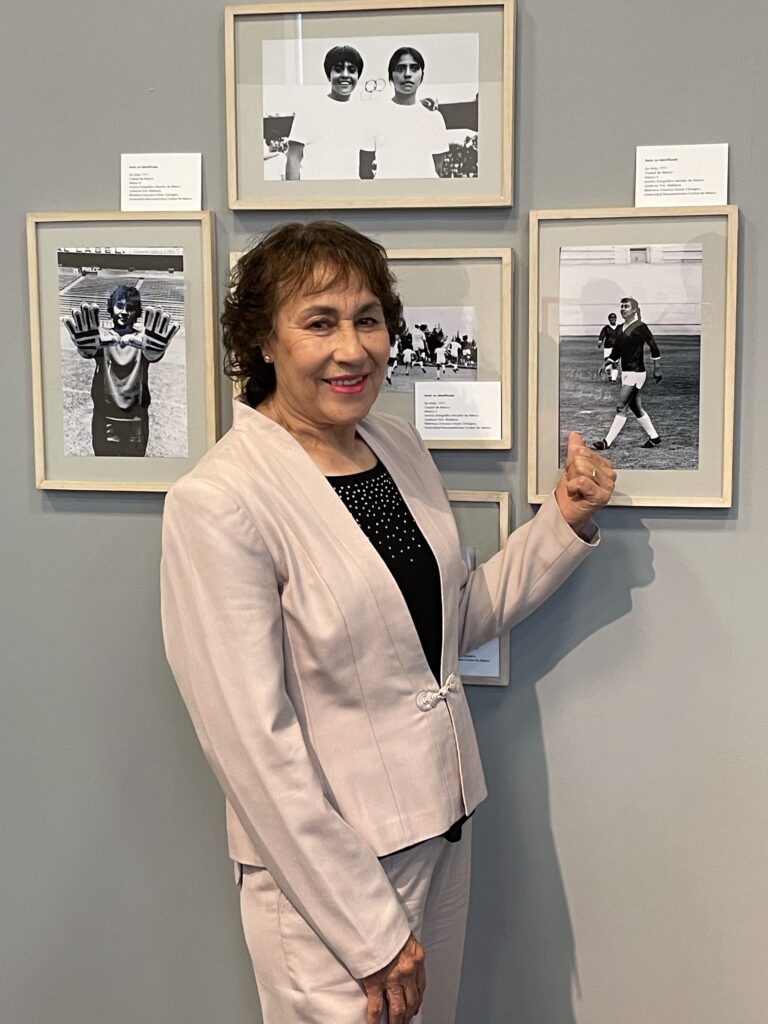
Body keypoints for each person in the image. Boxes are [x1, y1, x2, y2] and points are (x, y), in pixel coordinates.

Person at [160, 221, 615, 1024]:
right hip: (332, 885)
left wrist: (560, 524)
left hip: (442, 830)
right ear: (263, 340)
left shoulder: (396, 448)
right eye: (320, 321)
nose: (353, 348)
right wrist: (368, 930)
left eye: (368, 319)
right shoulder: (220, 501)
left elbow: (450, 619)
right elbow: (251, 747)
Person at [62, 286, 179, 457]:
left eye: (130, 308)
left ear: (137, 312)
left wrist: (156, 353)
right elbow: (89, 351)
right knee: (104, 472)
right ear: (111, 308)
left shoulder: (145, 341)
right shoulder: (101, 339)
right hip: (104, 419)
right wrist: (84, 349)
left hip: (136, 421)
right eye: (120, 305)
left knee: (134, 474)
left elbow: (152, 355)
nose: (124, 312)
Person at [360, 47, 450, 179]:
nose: (408, 74)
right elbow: (364, 170)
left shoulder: (433, 117)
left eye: (414, 68)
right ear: (391, 75)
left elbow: (438, 169)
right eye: (400, 69)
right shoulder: (374, 116)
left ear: (422, 76)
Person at [286, 45, 368, 181]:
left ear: (358, 75)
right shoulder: (310, 109)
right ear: (328, 75)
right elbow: (293, 158)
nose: (345, 75)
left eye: (352, 70)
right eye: (338, 70)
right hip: (315, 193)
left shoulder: (362, 111)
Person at [592, 296, 662, 451]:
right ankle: (655, 438)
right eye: (621, 306)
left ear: (635, 310)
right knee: (636, 408)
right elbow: (618, 350)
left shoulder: (641, 327)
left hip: (637, 373)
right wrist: (608, 363)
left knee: (621, 407)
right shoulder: (620, 328)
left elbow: (654, 347)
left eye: (626, 306)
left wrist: (658, 368)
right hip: (626, 372)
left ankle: (607, 442)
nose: (623, 309)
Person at [597, 311, 619, 381]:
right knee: (608, 363)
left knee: (615, 364)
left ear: (616, 319)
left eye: (614, 317)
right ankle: (609, 376)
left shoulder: (619, 328)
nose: (613, 319)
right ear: (609, 319)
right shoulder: (606, 328)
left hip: (616, 348)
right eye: (611, 318)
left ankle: (614, 379)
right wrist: (600, 341)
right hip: (607, 348)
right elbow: (602, 335)